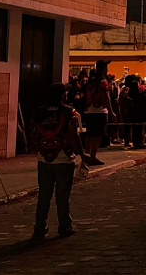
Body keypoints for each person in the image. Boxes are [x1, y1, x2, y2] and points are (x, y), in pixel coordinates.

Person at [31, 83, 92, 241]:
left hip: (44, 157)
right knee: (62, 195)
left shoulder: (40, 111)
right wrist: (81, 153)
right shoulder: (68, 111)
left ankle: (39, 228)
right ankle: (64, 226)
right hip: (63, 157)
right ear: (62, 95)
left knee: (44, 195)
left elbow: (33, 132)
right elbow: (73, 134)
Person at [81, 60, 113, 165]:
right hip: (99, 110)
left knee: (89, 134)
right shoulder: (103, 81)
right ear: (104, 69)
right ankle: (93, 156)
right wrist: (111, 112)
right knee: (97, 135)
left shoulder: (91, 79)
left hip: (88, 109)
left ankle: (87, 155)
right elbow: (106, 97)